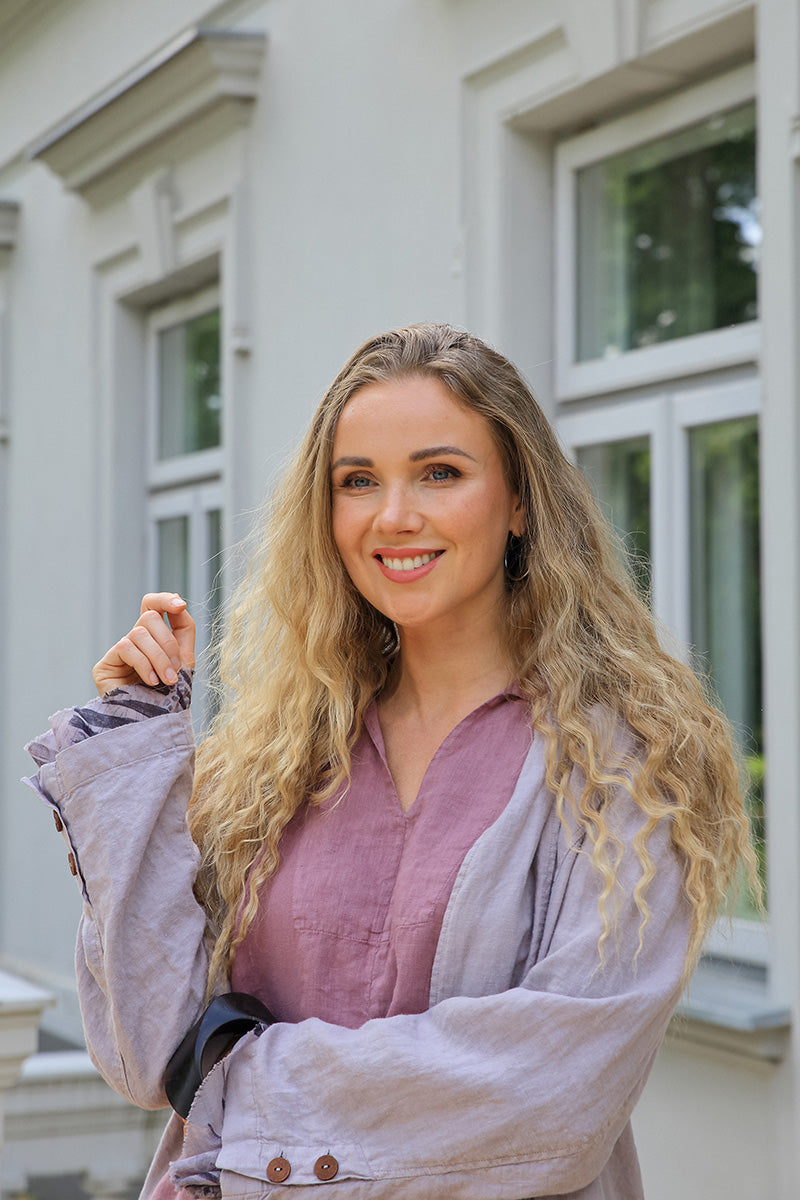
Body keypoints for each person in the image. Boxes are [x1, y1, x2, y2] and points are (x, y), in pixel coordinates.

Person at [25, 323, 758, 1200]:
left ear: (520, 501)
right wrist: (139, 743)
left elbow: (555, 1100)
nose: (393, 515)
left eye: (440, 473)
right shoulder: (277, 754)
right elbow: (150, 1054)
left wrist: (235, 1088)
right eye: (357, 481)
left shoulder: (625, 762)